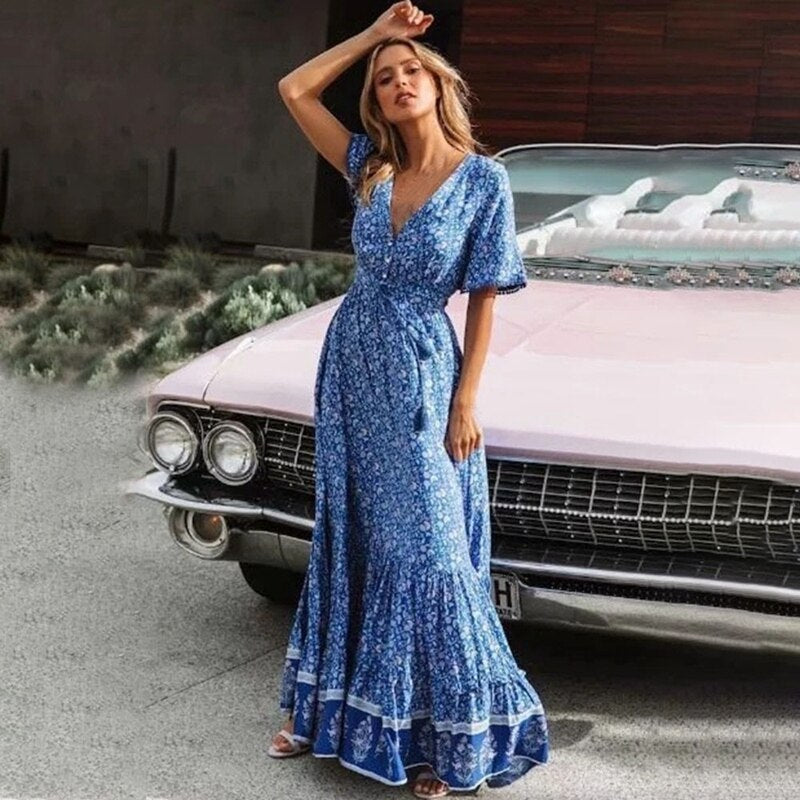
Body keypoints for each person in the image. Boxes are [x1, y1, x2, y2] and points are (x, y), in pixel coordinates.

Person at [270, 2, 550, 796]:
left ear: (438, 84)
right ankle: (324, 711)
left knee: (432, 553)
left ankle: (445, 740)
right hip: (352, 363)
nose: (397, 82)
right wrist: (373, 35)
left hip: (424, 370)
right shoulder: (368, 163)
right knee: (352, 531)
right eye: (385, 78)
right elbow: (294, 90)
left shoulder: (483, 181)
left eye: (409, 71)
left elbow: (485, 299)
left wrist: (466, 402)